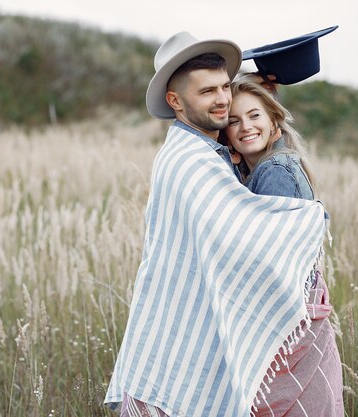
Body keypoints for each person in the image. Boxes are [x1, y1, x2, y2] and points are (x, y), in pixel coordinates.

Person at [104, 32, 329, 417]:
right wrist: (310, 219)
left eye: (225, 86)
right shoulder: (190, 160)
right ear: (175, 101)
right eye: (207, 91)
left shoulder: (214, 153)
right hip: (179, 335)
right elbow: (242, 233)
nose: (223, 99)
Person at [220, 73, 344, 416]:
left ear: (274, 121)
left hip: (290, 333)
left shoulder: (275, 172)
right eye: (234, 120)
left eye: (254, 115)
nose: (245, 126)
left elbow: (272, 264)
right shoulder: (263, 169)